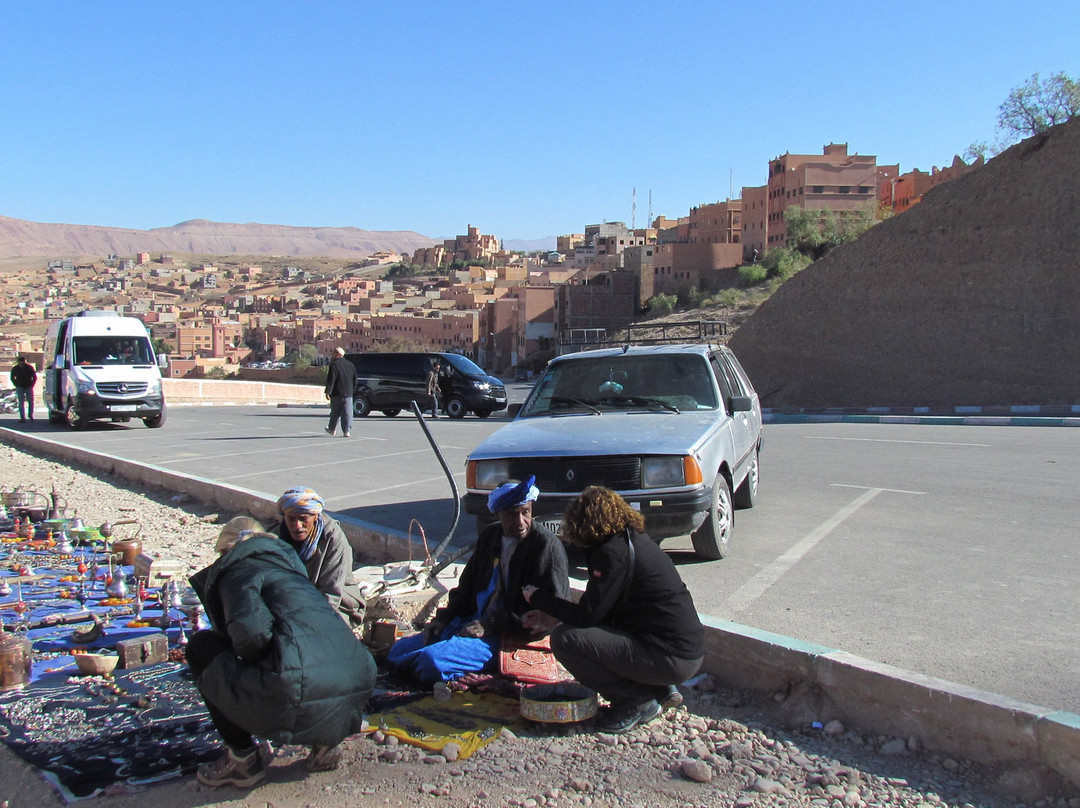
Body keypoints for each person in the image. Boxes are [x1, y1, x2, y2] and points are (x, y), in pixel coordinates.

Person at [187, 516, 376, 788]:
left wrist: (249, 657)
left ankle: (242, 758)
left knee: (201, 647)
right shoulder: (292, 571)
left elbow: (251, 636)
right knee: (310, 657)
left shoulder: (238, 571)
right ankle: (326, 741)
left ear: (226, 550)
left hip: (296, 692)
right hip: (357, 683)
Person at [522, 486, 705, 734]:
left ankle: (635, 702)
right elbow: (601, 612)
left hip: (673, 658)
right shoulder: (632, 539)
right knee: (598, 629)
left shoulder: (611, 554)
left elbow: (586, 616)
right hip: (681, 649)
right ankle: (657, 688)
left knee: (565, 639)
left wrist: (539, 599)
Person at [388, 475, 568, 685]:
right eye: (512, 515)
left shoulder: (546, 546)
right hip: (473, 622)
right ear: (497, 515)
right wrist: (443, 620)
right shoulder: (490, 536)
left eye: (525, 512)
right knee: (398, 650)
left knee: (429, 662)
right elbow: (466, 590)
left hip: (508, 634)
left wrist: (492, 624)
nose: (521, 522)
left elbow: (552, 613)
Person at [273, 487, 365, 626]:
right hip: (293, 604)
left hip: (336, 606)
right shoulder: (277, 536)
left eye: (303, 519)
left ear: (315, 517)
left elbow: (331, 594)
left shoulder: (333, 538)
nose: (297, 525)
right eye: (291, 519)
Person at [324, 346, 356, 437]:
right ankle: (347, 431)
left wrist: (328, 392)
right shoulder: (350, 365)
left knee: (335, 412)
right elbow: (355, 380)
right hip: (348, 393)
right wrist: (351, 390)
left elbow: (331, 379)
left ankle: (332, 429)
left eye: (333, 352)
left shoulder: (334, 364)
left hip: (336, 393)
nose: (332, 354)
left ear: (338, 354)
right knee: (347, 413)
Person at [9, 356, 36, 422]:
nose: (22, 363)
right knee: (21, 402)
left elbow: (34, 377)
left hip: (28, 386)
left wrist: (32, 384)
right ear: (18, 362)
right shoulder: (15, 368)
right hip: (20, 386)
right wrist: (16, 385)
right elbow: (12, 377)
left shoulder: (29, 368)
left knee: (31, 402)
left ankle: (30, 415)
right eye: (20, 362)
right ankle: (22, 417)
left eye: (23, 362)